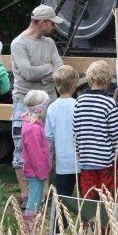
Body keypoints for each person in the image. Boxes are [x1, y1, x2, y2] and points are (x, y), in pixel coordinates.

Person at [10, 4, 64, 204]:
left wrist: (43, 72)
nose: (54, 27)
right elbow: (27, 73)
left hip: (48, 100)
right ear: (42, 22)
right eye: (52, 23)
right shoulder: (19, 43)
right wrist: (48, 71)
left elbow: (59, 68)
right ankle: (25, 194)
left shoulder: (49, 43)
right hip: (25, 102)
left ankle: (44, 192)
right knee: (21, 147)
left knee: (47, 145)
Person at [74, 60, 118, 200]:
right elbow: (115, 133)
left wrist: (78, 151)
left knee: (89, 194)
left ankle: (89, 221)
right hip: (105, 160)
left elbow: (76, 129)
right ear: (108, 79)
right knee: (107, 194)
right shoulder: (109, 103)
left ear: (90, 78)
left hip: (86, 158)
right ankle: (106, 220)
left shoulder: (79, 101)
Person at [46, 65, 79, 198]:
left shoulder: (52, 107)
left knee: (62, 197)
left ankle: (59, 219)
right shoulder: (78, 105)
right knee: (85, 197)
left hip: (62, 162)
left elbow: (48, 135)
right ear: (74, 85)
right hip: (80, 160)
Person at [21, 89, 51, 229]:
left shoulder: (32, 125)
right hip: (36, 173)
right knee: (34, 202)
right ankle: (30, 229)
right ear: (41, 108)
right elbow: (36, 155)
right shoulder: (33, 129)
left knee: (36, 200)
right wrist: (43, 172)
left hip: (35, 172)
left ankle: (33, 227)